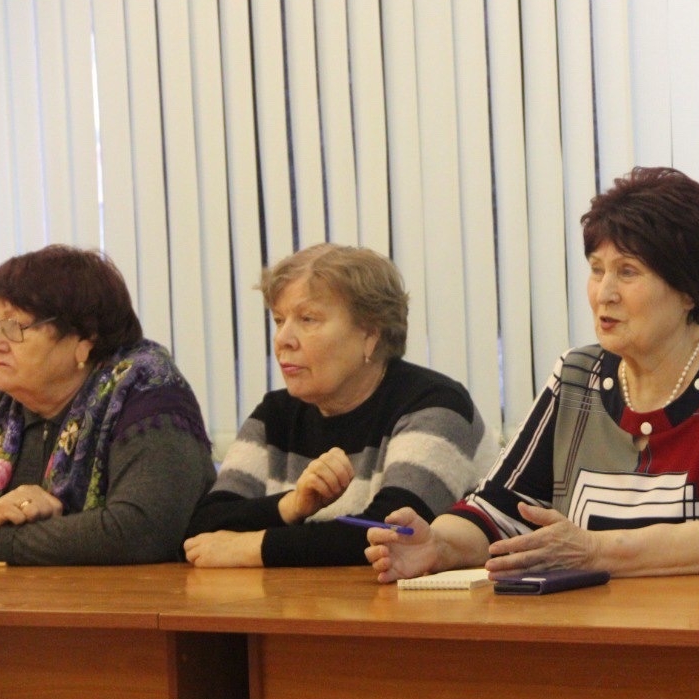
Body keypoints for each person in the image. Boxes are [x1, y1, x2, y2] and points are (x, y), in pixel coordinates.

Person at [365, 166, 699, 582]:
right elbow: (498, 507)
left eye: (628, 272)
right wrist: (438, 546)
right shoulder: (578, 374)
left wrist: (596, 551)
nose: (604, 293)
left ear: (689, 290)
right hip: (599, 626)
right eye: (597, 270)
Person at [184, 243, 494, 567]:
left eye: (307, 319)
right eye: (278, 320)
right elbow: (203, 529)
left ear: (370, 335)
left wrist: (253, 547)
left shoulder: (436, 404)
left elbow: (392, 533)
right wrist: (292, 505)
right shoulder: (275, 414)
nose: (282, 339)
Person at [0, 245, 214, 564]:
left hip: (133, 595)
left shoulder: (147, 391)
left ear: (84, 340)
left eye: (14, 328)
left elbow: (139, 531)